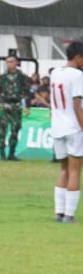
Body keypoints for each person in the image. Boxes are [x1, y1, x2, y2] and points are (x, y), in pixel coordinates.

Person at [48, 41, 83, 222]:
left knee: (64, 170)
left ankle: (58, 212)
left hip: (57, 126)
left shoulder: (55, 73)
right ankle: (69, 215)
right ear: (78, 58)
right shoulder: (77, 75)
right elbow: (77, 105)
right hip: (73, 127)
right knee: (76, 170)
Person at [0, 55, 30, 161]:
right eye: (7, 62)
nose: (9, 64)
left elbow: (27, 92)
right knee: (2, 130)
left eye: (11, 61)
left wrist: (27, 106)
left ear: (16, 62)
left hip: (16, 105)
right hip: (4, 105)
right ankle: (2, 154)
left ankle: (12, 154)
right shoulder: (2, 77)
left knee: (15, 129)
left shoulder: (22, 77)